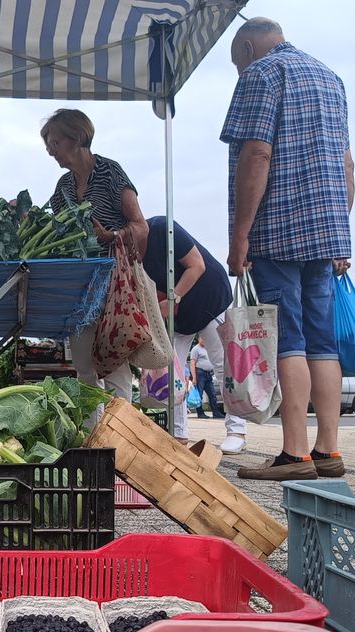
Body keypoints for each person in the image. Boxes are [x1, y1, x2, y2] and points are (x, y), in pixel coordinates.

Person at [222, 18, 355, 480]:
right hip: (326, 231)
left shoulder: (261, 74)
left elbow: (256, 154)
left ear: (246, 46)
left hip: (277, 225)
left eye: (236, 60)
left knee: (289, 338)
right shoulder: (330, 78)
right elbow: (346, 164)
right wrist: (342, 230)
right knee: (322, 342)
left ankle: (294, 453)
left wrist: (240, 236)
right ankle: (328, 450)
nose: (237, 69)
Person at [41, 108, 148, 402]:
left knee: (114, 367)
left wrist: (111, 236)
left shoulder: (110, 172)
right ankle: (92, 442)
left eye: (55, 142)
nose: (50, 151)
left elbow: (141, 226)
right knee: (83, 367)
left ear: (76, 138)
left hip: (113, 287)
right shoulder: (62, 187)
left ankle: (119, 439)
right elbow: (55, 235)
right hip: (79, 290)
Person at [139, 217, 233, 443]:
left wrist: (173, 300)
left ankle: (236, 430)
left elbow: (197, 264)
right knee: (173, 371)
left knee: (223, 367)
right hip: (177, 318)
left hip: (209, 301)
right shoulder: (126, 254)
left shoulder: (162, 229)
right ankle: (178, 432)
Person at [189, 336, 219, 419]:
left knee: (212, 394)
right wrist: (194, 377)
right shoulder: (196, 349)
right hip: (200, 373)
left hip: (208, 374)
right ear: (199, 339)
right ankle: (200, 412)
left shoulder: (208, 348)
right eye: (202, 338)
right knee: (200, 394)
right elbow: (192, 363)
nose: (204, 340)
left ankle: (216, 412)